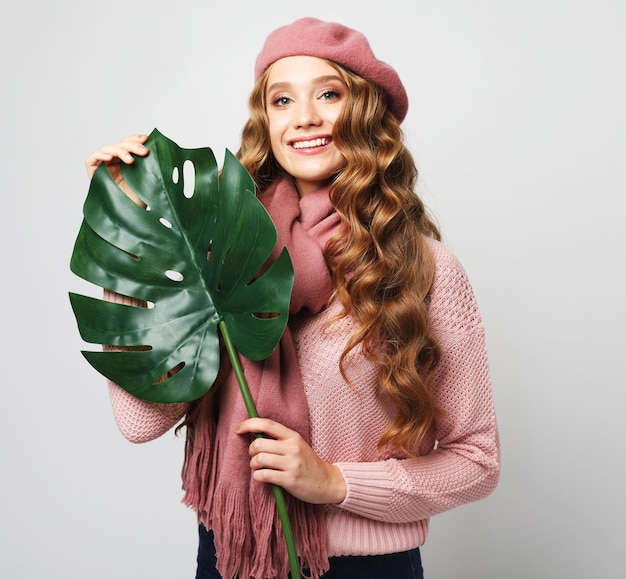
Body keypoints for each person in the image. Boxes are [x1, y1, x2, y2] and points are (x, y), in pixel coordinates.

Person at [85, 17, 500, 579]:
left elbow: (477, 462)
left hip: (363, 569)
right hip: (235, 554)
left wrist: (333, 482)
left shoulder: (424, 271)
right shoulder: (220, 255)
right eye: (282, 100)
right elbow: (140, 419)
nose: (304, 117)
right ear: (267, 121)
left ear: (366, 115)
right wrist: (132, 238)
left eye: (329, 94)